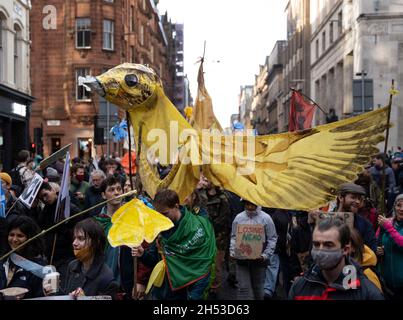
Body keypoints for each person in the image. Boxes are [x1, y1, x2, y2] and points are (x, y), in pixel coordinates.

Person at [132, 189, 216, 300]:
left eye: (165, 213)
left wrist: (194, 296)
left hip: (188, 291)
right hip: (163, 291)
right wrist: (142, 254)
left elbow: (203, 265)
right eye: (158, 214)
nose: (162, 217)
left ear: (176, 206)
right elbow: (154, 261)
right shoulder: (159, 229)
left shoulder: (196, 227)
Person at [288, 218, 384, 300]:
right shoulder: (299, 286)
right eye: (316, 244)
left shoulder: (367, 293)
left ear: (345, 249)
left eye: (328, 245)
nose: (320, 251)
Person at [45, 218, 118, 299]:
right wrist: (53, 292)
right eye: (74, 238)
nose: (74, 243)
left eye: (81, 239)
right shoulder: (72, 266)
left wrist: (85, 299)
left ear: (95, 242)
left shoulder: (106, 278)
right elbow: (67, 296)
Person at [229, 200, 277, 300]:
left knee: (258, 288)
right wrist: (232, 251)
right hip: (242, 260)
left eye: (252, 204)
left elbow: (272, 238)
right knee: (243, 288)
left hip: (259, 261)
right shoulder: (239, 218)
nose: (250, 207)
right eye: (247, 204)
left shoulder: (266, 218)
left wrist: (265, 255)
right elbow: (234, 236)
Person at [36, 182, 81, 287]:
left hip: (68, 257)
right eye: (41, 198)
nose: (44, 199)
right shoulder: (45, 210)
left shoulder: (69, 208)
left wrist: (63, 229)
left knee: (65, 286)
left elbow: (79, 232)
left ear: (52, 190)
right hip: (52, 257)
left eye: (45, 195)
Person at [0, 216, 47, 299]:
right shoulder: (3, 261)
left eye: (20, 236)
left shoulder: (39, 268)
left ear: (30, 238)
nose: (14, 239)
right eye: (11, 235)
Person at [335, 183, 378, 252]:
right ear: (341, 197)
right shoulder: (326, 219)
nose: (358, 202)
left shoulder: (365, 224)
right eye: (353, 197)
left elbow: (372, 249)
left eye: (360, 199)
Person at [377, 194, 403, 299]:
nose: (402, 209)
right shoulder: (387, 222)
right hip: (386, 283)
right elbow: (376, 240)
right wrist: (378, 250)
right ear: (394, 207)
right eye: (398, 205)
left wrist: (389, 227)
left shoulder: (387, 224)